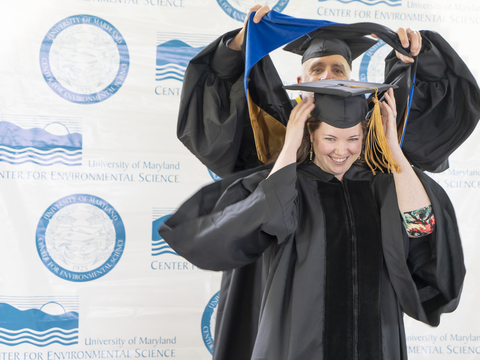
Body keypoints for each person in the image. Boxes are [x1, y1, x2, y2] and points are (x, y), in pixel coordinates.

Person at [160, 81, 465, 360]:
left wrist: (393, 148)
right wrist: (290, 146)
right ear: (310, 133)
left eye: (353, 138)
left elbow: (421, 228)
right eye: (330, 138)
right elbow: (251, 221)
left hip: (376, 344)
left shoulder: (383, 186)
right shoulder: (290, 186)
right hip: (302, 345)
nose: (341, 150)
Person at [177, 6, 480, 177]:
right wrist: (240, 45)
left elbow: (435, 114)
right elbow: (214, 119)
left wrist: (421, 56)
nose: (327, 76)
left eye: (338, 69)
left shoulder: (376, 123)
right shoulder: (275, 121)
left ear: (351, 76)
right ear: (300, 77)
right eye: (318, 68)